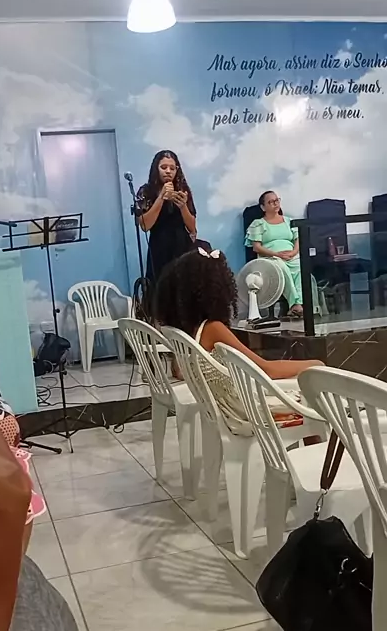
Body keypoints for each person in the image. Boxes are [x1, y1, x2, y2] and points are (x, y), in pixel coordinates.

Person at [155, 248, 323, 434]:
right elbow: (266, 369)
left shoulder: (187, 331)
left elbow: (179, 372)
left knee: (303, 395)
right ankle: (318, 448)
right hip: (244, 414)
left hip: (225, 410)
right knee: (316, 400)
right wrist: (315, 365)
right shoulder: (213, 329)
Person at [245, 191, 320, 318]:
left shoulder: (289, 221)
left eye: (277, 200)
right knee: (281, 268)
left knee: (301, 268)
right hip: (270, 258)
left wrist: (293, 252)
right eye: (271, 202)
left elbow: (298, 240)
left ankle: (303, 306)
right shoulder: (258, 224)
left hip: (291, 256)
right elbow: (257, 247)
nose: (275, 204)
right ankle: (295, 304)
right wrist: (277, 254)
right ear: (263, 207)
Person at [137, 150, 196, 287]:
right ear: (156, 169)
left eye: (172, 168)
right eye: (163, 167)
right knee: (159, 289)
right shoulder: (146, 191)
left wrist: (183, 206)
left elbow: (192, 227)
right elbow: (145, 225)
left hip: (182, 248)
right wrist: (161, 198)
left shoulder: (183, 189)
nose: (168, 171)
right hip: (159, 249)